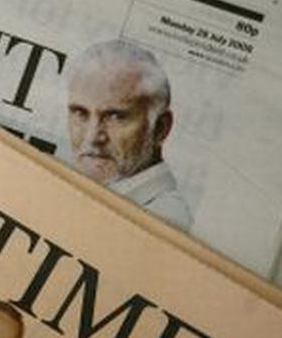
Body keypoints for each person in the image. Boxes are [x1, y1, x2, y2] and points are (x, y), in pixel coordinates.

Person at [65, 39, 192, 230]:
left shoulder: (167, 221)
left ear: (161, 128)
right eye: (80, 114)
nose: (92, 137)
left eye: (116, 117)